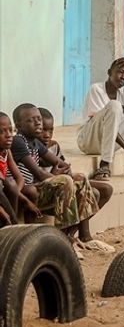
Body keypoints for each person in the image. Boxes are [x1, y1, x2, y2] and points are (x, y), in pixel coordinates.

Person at [12, 103, 112, 250]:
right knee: (65, 181)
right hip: (28, 191)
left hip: (39, 187)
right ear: (19, 126)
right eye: (31, 120)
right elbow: (38, 173)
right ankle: (64, 240)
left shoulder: (35, 143)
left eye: (38, 118)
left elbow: (62, 164)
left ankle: (78, 236)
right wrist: (56, 175)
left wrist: (63, 171)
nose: (38, 123)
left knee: (80, 178)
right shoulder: (19, 141)